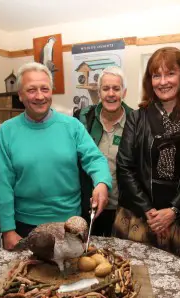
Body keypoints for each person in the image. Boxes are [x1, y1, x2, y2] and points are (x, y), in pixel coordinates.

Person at [0, 62, 111, 250]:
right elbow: (2, 183)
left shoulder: (72, 126)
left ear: (51, 92)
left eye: (44, 89)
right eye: (31, 90)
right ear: (20, 95)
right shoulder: (6, 131)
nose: (39, 96)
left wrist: (102, 183)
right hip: (25, 226)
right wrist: (7, 230)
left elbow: (94, 159)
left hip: (70, 223)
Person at [115, 47, 180, 261]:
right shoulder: (136, 118)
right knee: (128, 281)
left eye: (170, 73)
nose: (163, 81)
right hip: (137, 216)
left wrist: (172, 212)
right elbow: (125, 167)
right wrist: (149, 212)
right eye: (156, 75)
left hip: (175, 220)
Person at [77, 66, 134, 236]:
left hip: (122, 207)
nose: (111, 94)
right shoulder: (84, 118)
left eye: (116, 89)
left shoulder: (136, 121)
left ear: (124, 93)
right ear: (99, 92)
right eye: (105, 88)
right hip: (88, 205)